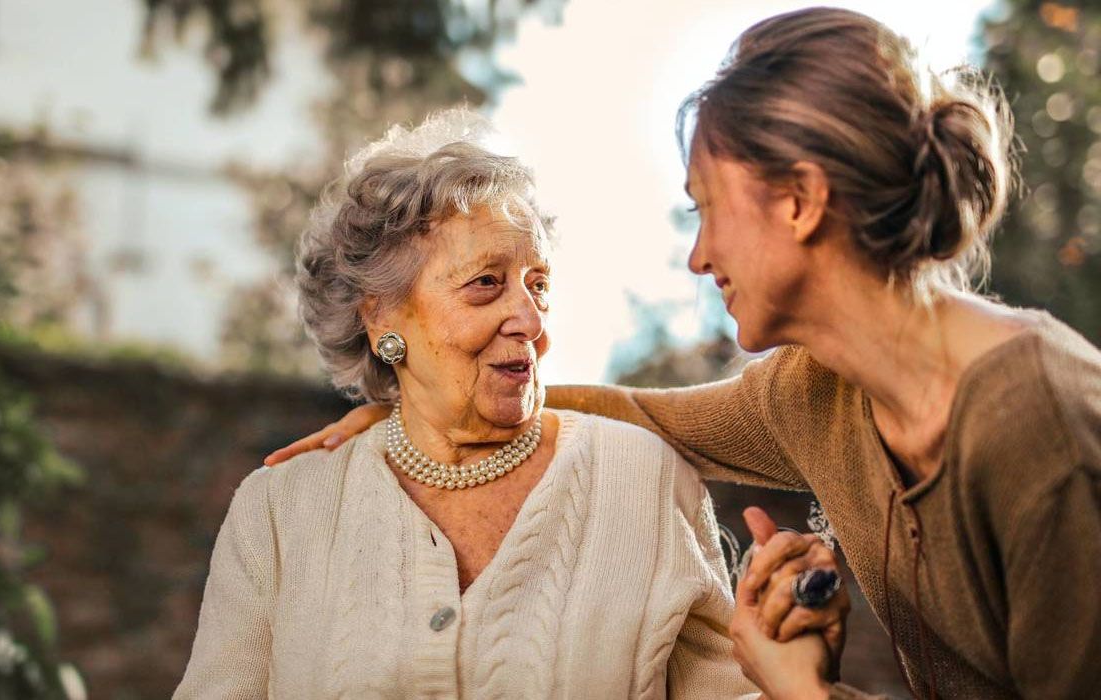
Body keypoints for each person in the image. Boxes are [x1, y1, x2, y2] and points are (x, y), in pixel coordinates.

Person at [264, 8, 1101, 699]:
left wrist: (803, 694)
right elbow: (641, 414)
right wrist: (417, 392)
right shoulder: (815, 393)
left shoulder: (1044, 430)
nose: (699, 257)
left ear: (802, 202)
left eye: (707, 208)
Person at [175, 111, 761, 698]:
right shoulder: (278, 513)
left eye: (539, 284)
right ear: (380, 319)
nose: (531, 322)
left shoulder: (646, 481)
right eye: (486, 283)